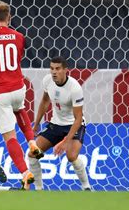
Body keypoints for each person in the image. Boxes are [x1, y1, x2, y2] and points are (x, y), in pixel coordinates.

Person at [0, 1, 43, 190]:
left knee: (9, 137)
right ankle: (32, 142)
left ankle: (25, 172)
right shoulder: (19, 37)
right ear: (10, 17)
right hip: (18, 86)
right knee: (19, 109)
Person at [28, 56, 91, 191]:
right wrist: (36, 123)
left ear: (65, 70)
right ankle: (39, 190)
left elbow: (78, 119)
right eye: (51, 69)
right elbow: (45, 101)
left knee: (71, 156)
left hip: (73, 124)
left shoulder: (74, 88)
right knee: (33, 154)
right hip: (55, 124)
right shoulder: (47, 81)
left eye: (57, 69)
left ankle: (87, 188)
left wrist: (65, 141)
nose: (54, 72)